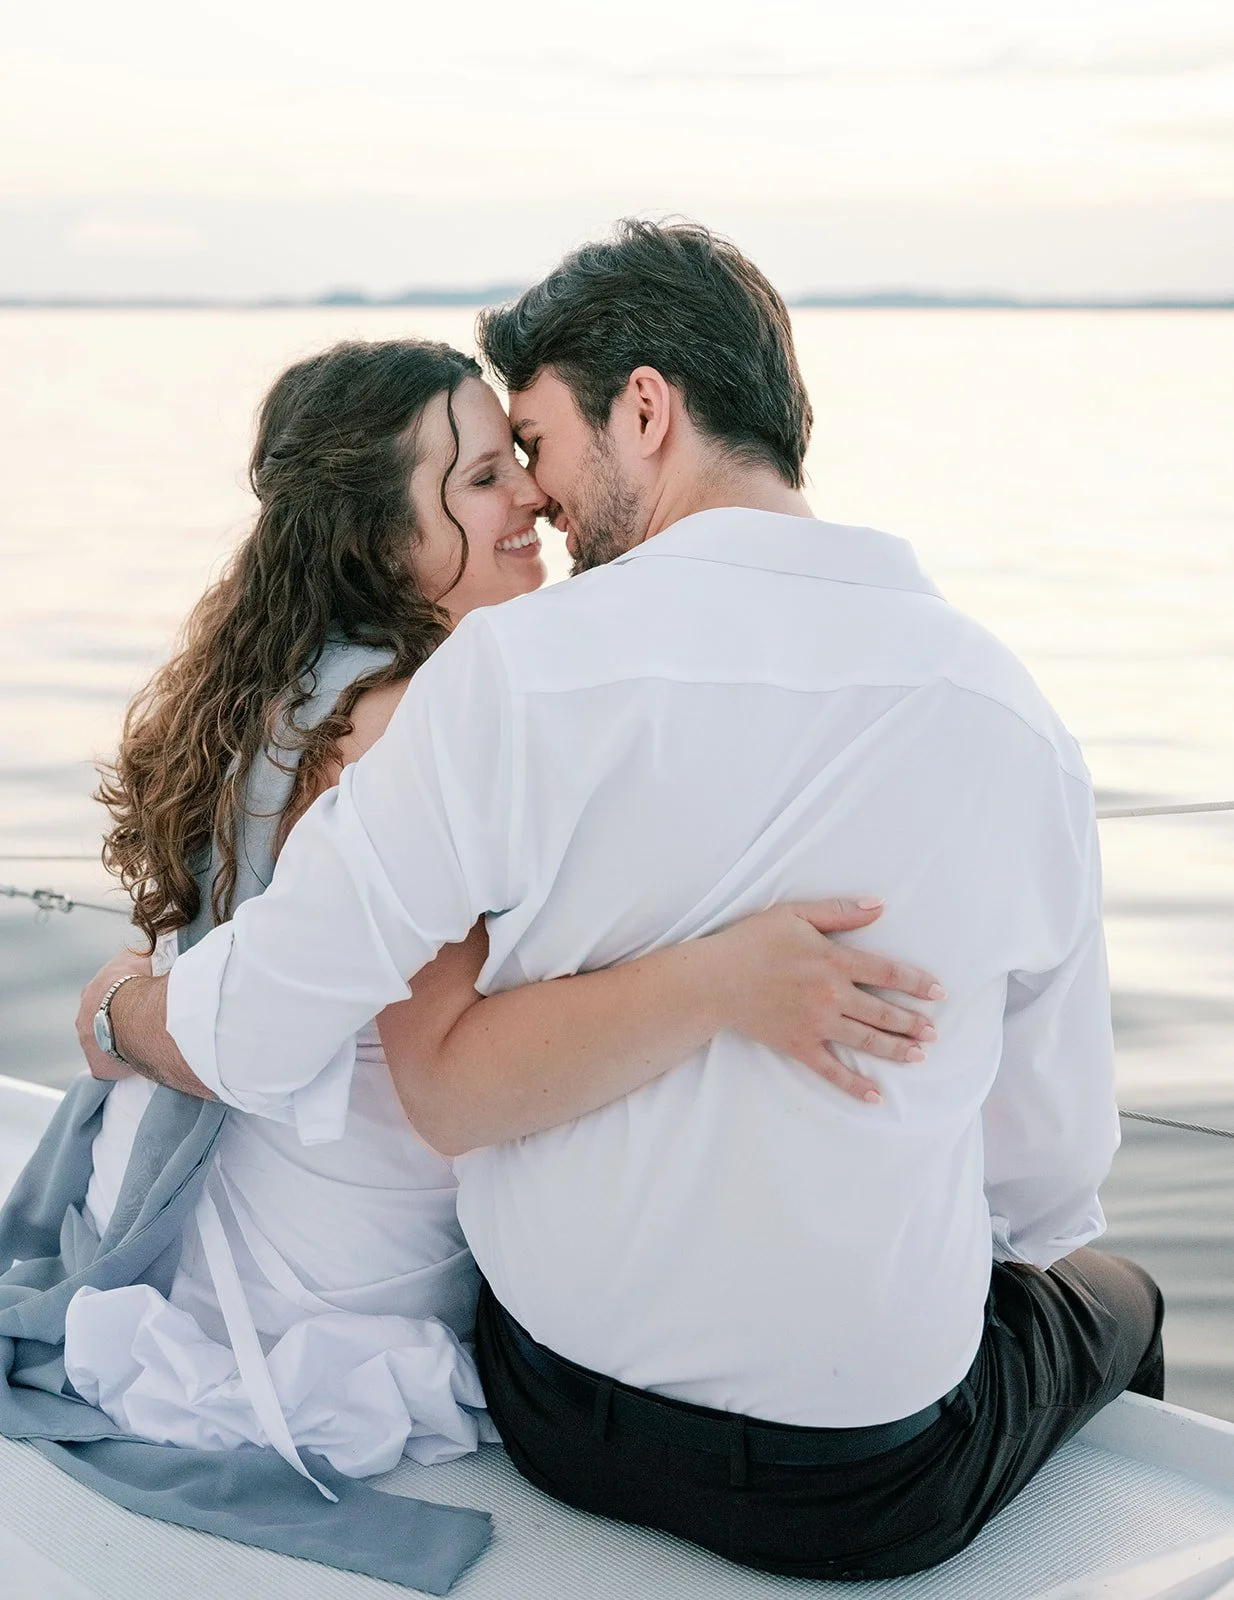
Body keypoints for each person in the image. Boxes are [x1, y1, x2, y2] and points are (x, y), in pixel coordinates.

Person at [86, 221, 1165, 1581]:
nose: (537, 497)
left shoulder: (509, 676)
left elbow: (266, 1029)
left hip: (556, 1415)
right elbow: (1048, 1178)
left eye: (535, 442)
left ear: (644, 410)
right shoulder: (1009, 716)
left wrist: (121, 1009)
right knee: (1111, 1291)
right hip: (864, 1491)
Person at [64, 338, 938, 1493]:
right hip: (345, 1279)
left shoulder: (304, 681)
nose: (530, 492)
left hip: (235, 1210)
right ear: (382, 535)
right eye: (482, 477)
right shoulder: (409, 718)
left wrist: (120, 1007)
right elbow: (435, 1066)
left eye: (517, 458)